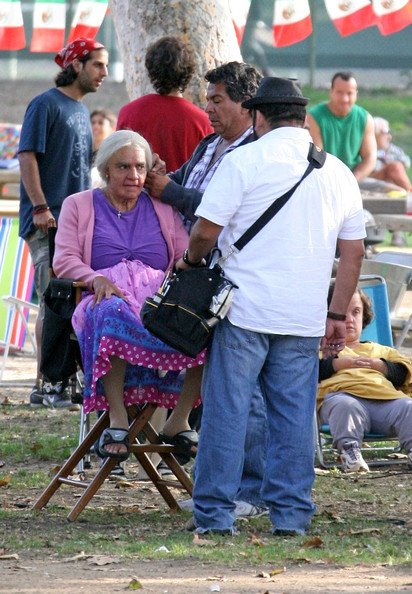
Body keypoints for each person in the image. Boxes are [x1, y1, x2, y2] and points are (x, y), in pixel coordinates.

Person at [178, 77, 366, 536]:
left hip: (242, 311)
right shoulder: (338, 172)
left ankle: (216, 518)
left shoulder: (244, 160)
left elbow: (205, 232)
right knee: (293, 419)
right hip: (302, 317)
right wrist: (337, 315)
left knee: (227, 413)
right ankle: (292, 516)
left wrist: (189, 261)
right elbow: (354, 252)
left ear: (259, 116)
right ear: (302, 117)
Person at [146, 61, 269, 516]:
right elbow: (182, 180)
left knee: (246, 393)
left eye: (218, 100)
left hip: (232, 284)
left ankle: (249, 492)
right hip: (198, 281)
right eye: (208, 99)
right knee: (222, 391)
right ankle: (221, 486)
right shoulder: (210, 144)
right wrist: (163, 176)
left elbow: (220, 211)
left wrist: (169, 193)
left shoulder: (256, 153)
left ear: (246, 104)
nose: (209, 108)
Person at [52, 130, 204, 461]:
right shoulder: (79, 204)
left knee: (207, 325)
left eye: (139, 167)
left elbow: (182, 253)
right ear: (106, 169)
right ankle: (118, 420)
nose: (133, 176)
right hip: (103, 298)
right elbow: (63, 260)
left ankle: (178, 422)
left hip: (157, 305)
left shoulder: (162, 206)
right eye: (123, 167)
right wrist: (96, 279)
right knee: (111, 311)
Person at [18, 38, 109, 409]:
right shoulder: (44, 104)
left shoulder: (79, 110)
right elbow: (27, 156)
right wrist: (40, 207)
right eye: (98, 65)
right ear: (75, 65)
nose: (104, 72)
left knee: (71, 301)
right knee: (52, 302)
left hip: (73, 222)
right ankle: (46, 385)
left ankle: (65, 379)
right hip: (47, 219)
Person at [318, 287, 412, 472]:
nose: (350, 319)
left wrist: (381, 366)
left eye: (356, 312)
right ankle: (350, 452)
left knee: (408, 407)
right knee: (345, 406)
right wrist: (340, 363)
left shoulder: (381, 351)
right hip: (342, 397)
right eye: (343, 313)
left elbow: (403, 372)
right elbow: (312, 371)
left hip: (385, 402)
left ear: (364, 316)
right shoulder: (324, 349)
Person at [117, 35, 212, 172]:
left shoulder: (128, 113)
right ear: (188, 72)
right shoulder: (203, 122)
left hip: (136, 192)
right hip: (180, 192)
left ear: (150, 69)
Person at [306, 71, 377, 182]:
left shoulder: (365, 118)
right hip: (325, 178)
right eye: (339, 92)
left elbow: (370, 157)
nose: (345, 99)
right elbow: (317, 159)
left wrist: (354, 179)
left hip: (356, 179)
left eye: (349, 93)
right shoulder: (314, 117)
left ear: (356, 93)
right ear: (331, 92)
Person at [369, 117, 411, 192]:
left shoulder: (391, 148)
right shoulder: (366, 147)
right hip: (369, 180)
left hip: (389, 181)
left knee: (396, 167)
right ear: (375, 134)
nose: (389, 137)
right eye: (386, 132)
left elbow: (406, 162)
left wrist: (386, 159)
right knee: (395, 167)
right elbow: (371, 168)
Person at [90, 108, 117, 187]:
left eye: (100, 123)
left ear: (112, 128)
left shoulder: (114, 155)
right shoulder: (84, 154)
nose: (95, 126)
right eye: (93, 123)